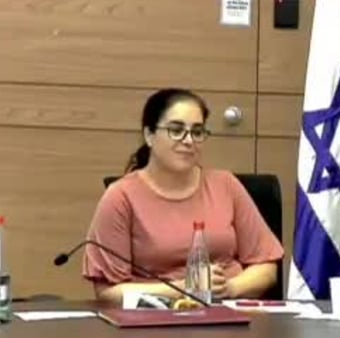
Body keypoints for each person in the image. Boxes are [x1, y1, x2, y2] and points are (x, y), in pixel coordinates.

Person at [83, 88, 284, 305]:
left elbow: (266, 267)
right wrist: (184, 288)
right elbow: (108, 293)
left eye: (197, 132)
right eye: (176, 130)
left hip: (228, 311)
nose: (188, 140)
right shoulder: (121, 196)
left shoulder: (226, 185)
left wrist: (229, 287)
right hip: (156, 317)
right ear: (149, 135)